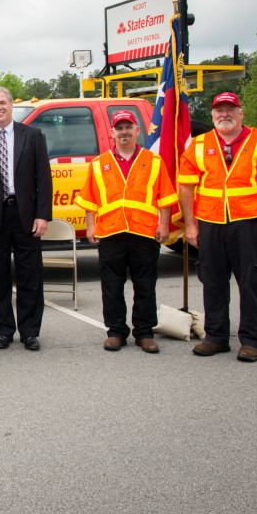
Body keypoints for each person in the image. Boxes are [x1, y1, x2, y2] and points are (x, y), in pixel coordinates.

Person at [178, 92, 257, 362]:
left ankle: (251, 341)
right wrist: (191, 226)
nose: (224, 114)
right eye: (219, 110)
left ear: (241, 113)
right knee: (213, 282)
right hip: (211, 224)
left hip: (251, 224)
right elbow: (185, 187)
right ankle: (216, 338)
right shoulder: (198, 145)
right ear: (212, 114)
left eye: (230, 109)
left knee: (251, 282)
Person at [75, 110, 177, 353]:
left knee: (145, 285)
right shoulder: (99, 164)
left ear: (137, 130)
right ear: (112, 132)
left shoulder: (154, 161)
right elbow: (90, 199)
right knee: (112, 285)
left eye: (128, 127)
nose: (124, 132)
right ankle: (116, 332)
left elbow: (165, 198)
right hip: (110, 232)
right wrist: (91, 226)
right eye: (119, 128)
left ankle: (144, 332)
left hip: (144, 233)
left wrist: (164, 225)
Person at [0, 87, 53, 351]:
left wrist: (42, 215)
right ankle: (3, 330)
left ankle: (29, 331)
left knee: (30, 275)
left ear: (11, 105)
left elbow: (44, 178)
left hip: (26, 215)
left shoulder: (33, 135)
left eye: (2, 103)